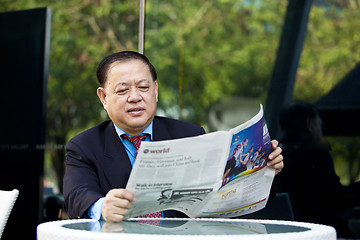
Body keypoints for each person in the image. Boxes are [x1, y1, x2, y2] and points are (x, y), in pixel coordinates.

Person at [63, 51, 284, 222]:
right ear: (103, 97)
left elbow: (225, 193)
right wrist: (102, 207)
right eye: (122, 91)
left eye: (143, 87)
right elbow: (76, 196)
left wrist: (263, 171)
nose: (135, 97)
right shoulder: (84, 146)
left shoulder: (190, 135)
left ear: (155, 91)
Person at [274, 100, 360, 238]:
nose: (321, 131)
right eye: (319, 125)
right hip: (321, 232)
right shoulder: (316, 155)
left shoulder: (274, 157)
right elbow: (339, 199)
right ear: (310, 124)